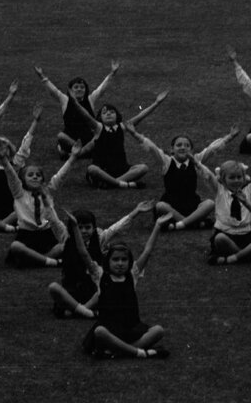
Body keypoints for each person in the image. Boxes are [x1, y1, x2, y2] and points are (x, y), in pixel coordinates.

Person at [79, 226, 169, 360]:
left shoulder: (132, 275)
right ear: (108, 261)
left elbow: (147, 251)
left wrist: (157, 226)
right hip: (109, 329)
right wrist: (75, 227)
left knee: (158, 331)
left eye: (124, 259)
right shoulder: (100, 275)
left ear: (129, 261)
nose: (120, 263)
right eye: (115, 260)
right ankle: (141, 352)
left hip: (131, 328)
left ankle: (118, 351)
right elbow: (83, 253)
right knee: (99, 332)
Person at [134, 126, 234, 228]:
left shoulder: (195, 161)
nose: (183, 147)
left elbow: (211, 149)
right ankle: (191, 223)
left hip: (192, 205)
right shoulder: (167, 162)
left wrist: (229, 137)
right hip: (171, 205)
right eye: (179, 145)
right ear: (172, 149)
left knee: (210, 203)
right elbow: (152, 148)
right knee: (160, 206)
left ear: (191, 150)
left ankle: (178, 225)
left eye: (187, 145)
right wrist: (135, 134)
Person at [78, 92, 168, 188]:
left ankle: (111, 184)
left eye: (112, 112)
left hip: (121, 169)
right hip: (102, 169)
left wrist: (156, 103)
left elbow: (140, 116)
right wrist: (75, 103)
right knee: (92, 169)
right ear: (100, 118)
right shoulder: (99, 128)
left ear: (117, 116)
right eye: (104, 113)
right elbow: (86, 115)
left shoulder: (122, 127)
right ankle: (125, 184)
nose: (108, 113)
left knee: (143, 168)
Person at [34, 62, 121, 155]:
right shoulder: (65, 100)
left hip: (87, 137)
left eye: (82, 87)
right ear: (70, 90)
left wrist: (112, 73)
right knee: (61, 136)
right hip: (71, 137)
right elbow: (53, 91)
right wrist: (41, 76)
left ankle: (72, 153)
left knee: (100, 137)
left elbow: (102, 88)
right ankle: (80, 150)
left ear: (85, 89)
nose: (79, 89)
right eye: (76, 87)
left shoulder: (90, 99)